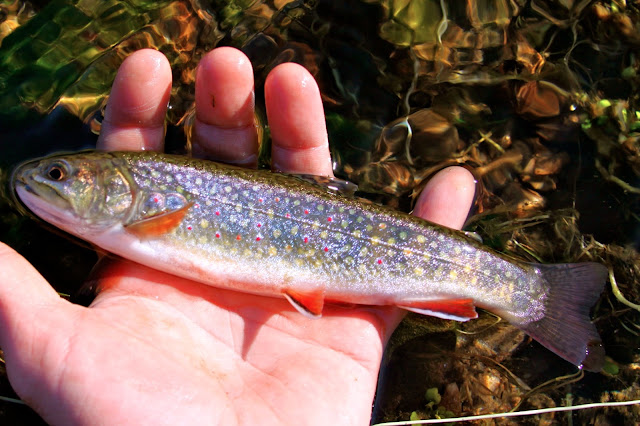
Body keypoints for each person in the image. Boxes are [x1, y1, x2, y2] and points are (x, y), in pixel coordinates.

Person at [0, 47, 475, 425]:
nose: (39, 181)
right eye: (57, 174)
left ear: (121, 189)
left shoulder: (138, 219)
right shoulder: (135, 214)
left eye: (58, 175)